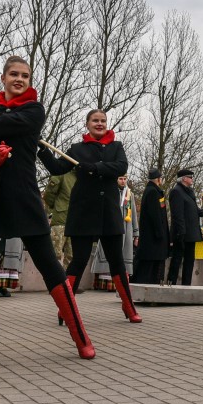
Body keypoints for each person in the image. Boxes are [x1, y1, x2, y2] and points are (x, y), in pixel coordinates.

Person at [0, 55, 96, 364]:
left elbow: (3, 125)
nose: (19, 79)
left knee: (50, 266)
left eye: (24, 75)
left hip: (23, 198)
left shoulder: (33, 111)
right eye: (14, 74)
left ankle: (81, 336)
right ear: (3, 78)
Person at [39, 108, 138, 322]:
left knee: (116, 261)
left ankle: (129, 307)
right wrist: (42, 148)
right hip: (83, 212)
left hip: (109, 212)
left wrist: (95, 167)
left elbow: (121, 167)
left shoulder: (116, 147)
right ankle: (65, 308)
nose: (99, 124)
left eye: (103, 120)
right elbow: (57, 168)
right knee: (79, 260)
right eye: (95, 120)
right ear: (87, 124)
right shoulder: (77, 149)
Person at [91, 175, 139, 291]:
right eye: (120, 179)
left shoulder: (129, 194)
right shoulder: (110, 191)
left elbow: (133, 214)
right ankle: (105, 284)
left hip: (126, 229)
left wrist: (136, 233)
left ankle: (120, 285)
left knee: (123, 255)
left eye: (125, 179)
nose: (123, 181)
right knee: (108, 253)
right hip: (110, 227)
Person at [166, 169, 201, 286]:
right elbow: (177, 215)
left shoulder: (190, 192)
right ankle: (171, 284)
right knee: (176, 260)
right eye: (190, 177)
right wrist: (181, 232)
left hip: (191, 234)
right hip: (181, 234)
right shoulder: (176, 191)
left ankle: (186, 285)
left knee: (189, 262)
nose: (192, 179)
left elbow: (196, 210)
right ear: (184, 179)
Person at [134, 169, 169, 284]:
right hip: (153, 238)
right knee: (149, 267)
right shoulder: (153, 192)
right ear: (158, 179)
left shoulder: (152, 191)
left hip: (153, 237)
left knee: (152, 265)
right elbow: (156, 215)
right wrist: (160, 233)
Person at [42, 167, 76, 268]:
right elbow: (49, 194)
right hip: (61, 221)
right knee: (54, 255)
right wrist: (56, 206)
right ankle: (55, 278)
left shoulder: (84, 176)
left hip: (75, 224)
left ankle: (67, 278)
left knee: (72, 258)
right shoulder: (62, 171)